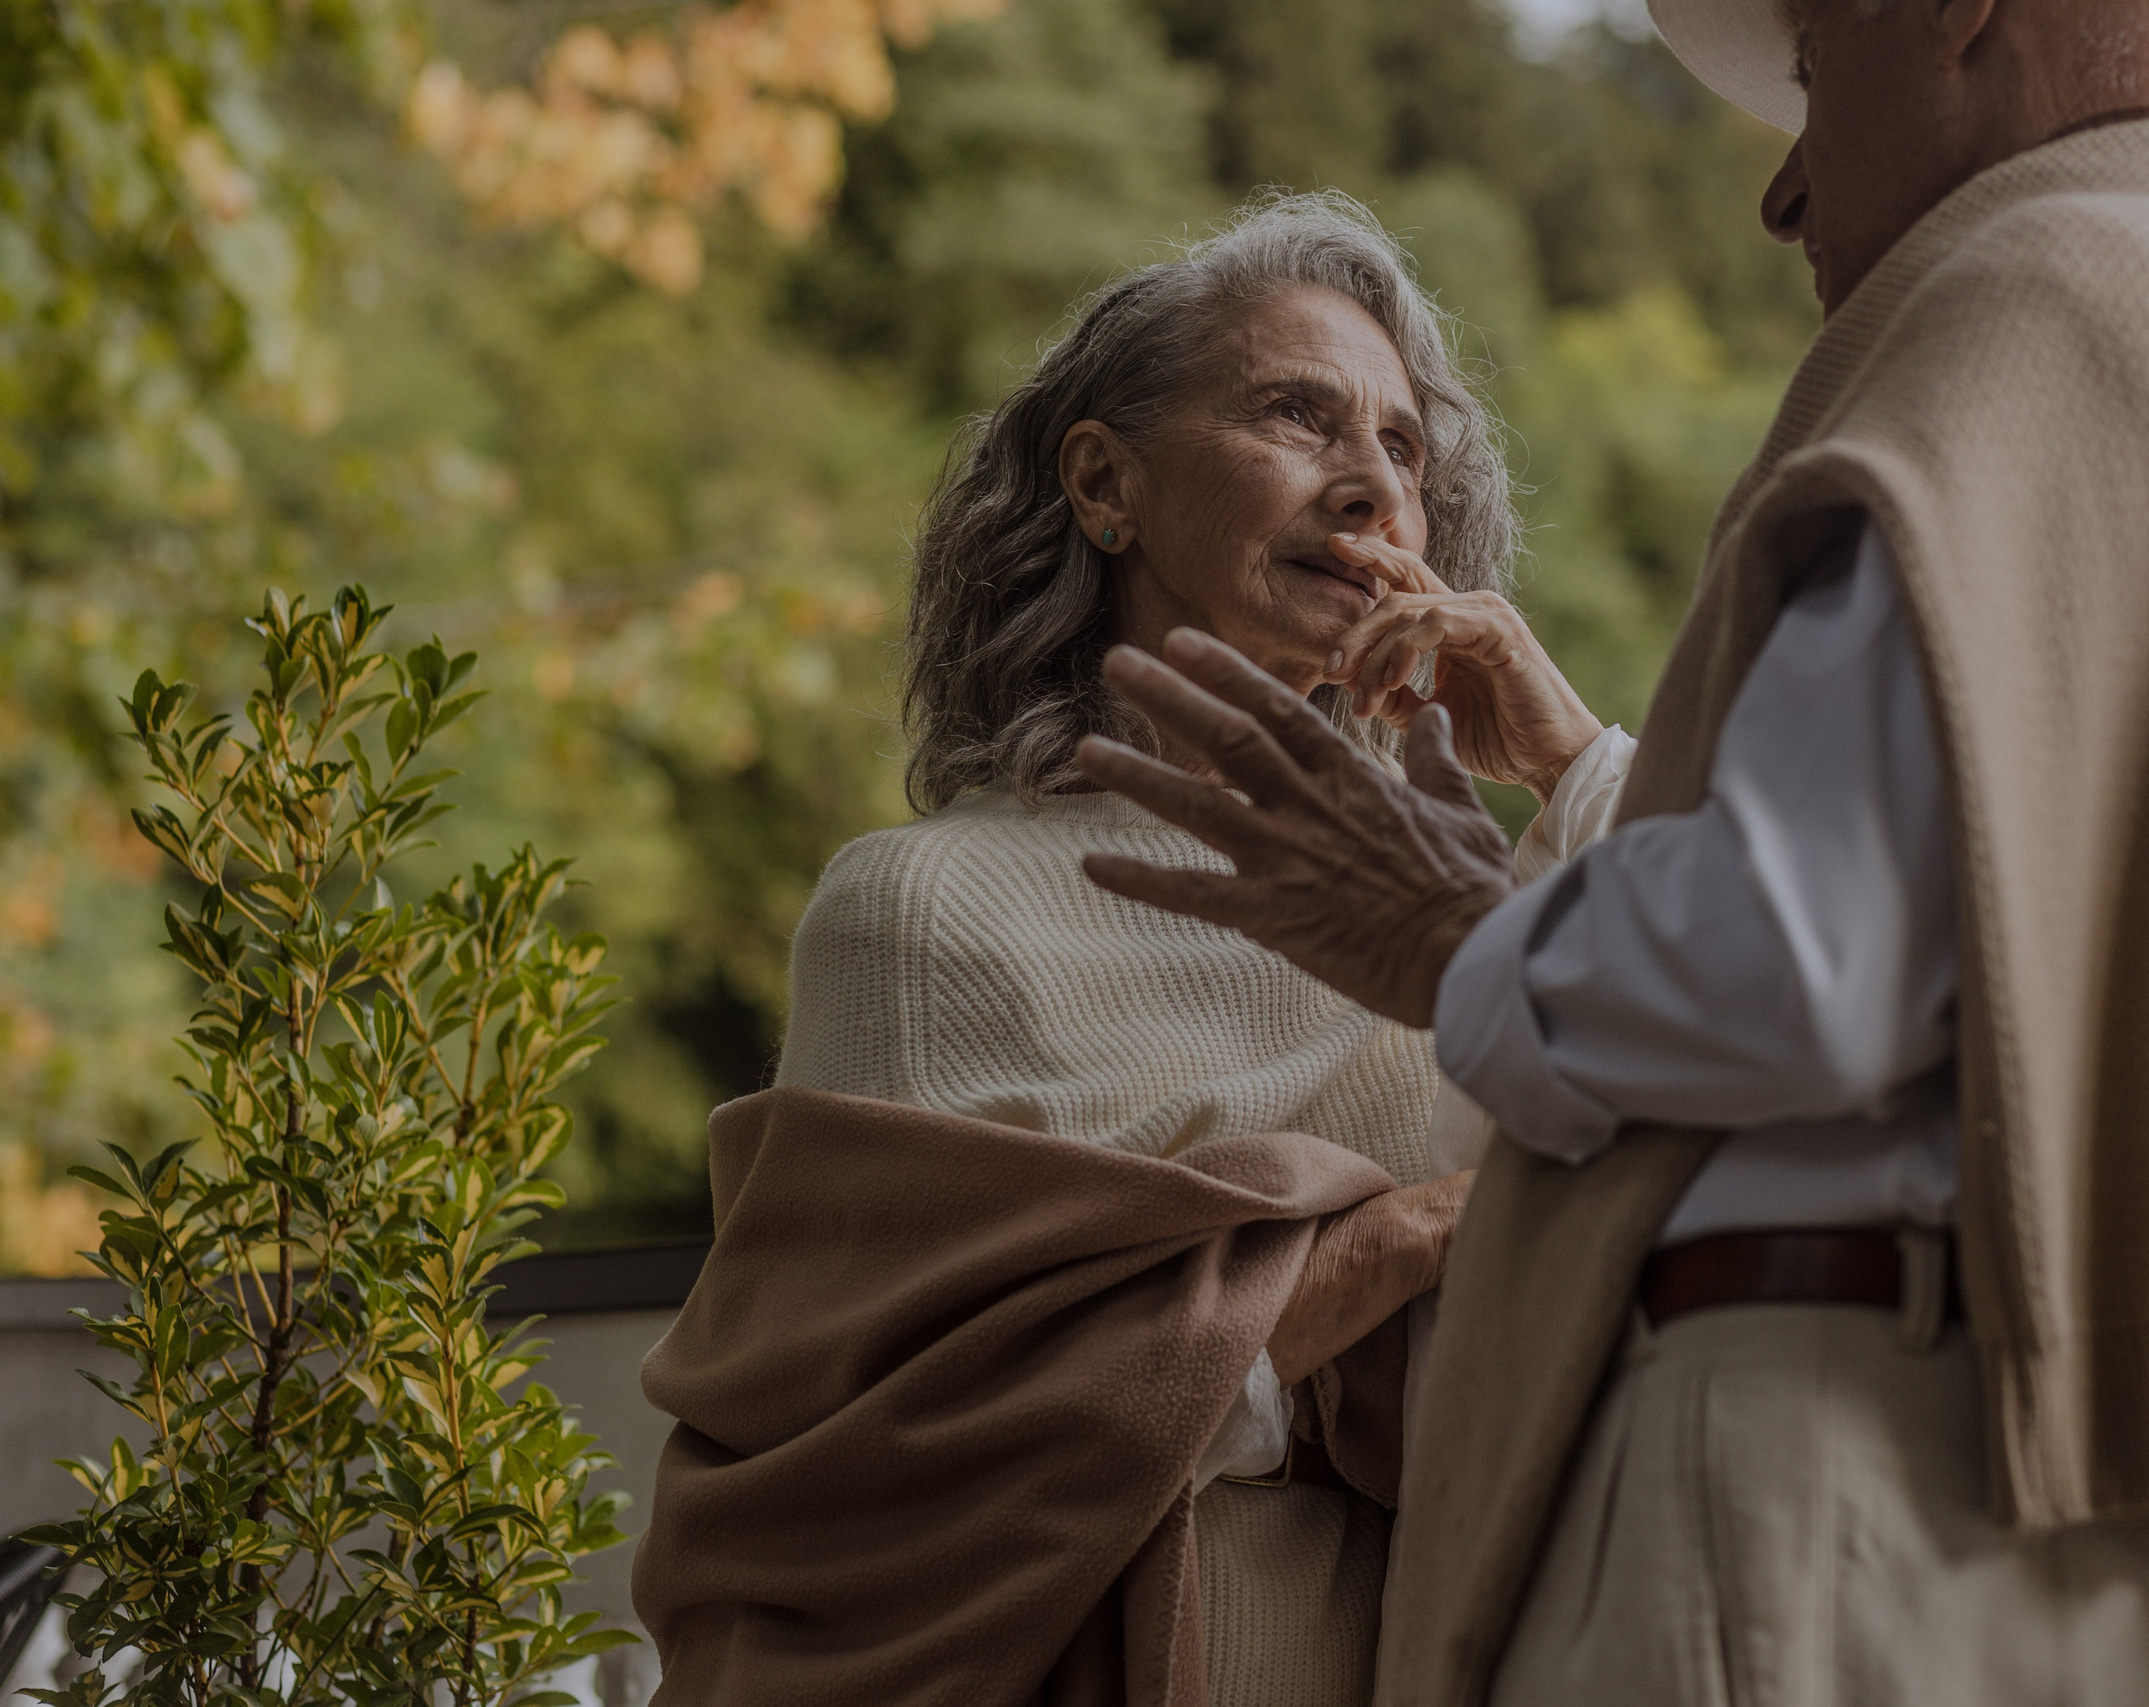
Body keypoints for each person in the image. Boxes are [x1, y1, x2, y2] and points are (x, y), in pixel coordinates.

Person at [1073, 1, 2149, 1704]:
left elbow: (1807, 964)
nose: (1784, 192)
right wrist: (1583, 789)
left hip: (1799, 1500)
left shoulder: (2043, 279)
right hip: (2098, 1511)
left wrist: (1446, 934)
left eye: (1806, 64)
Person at [629, 193, 1614, 1707]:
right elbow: (881, 1456)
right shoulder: (924, 915)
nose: (1370, 486)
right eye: (1299, 414)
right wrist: (1398, 1242)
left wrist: (1569, 765)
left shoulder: (1466, 918)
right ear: (1106, 484)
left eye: (1405, 449)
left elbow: (1734, 1104)